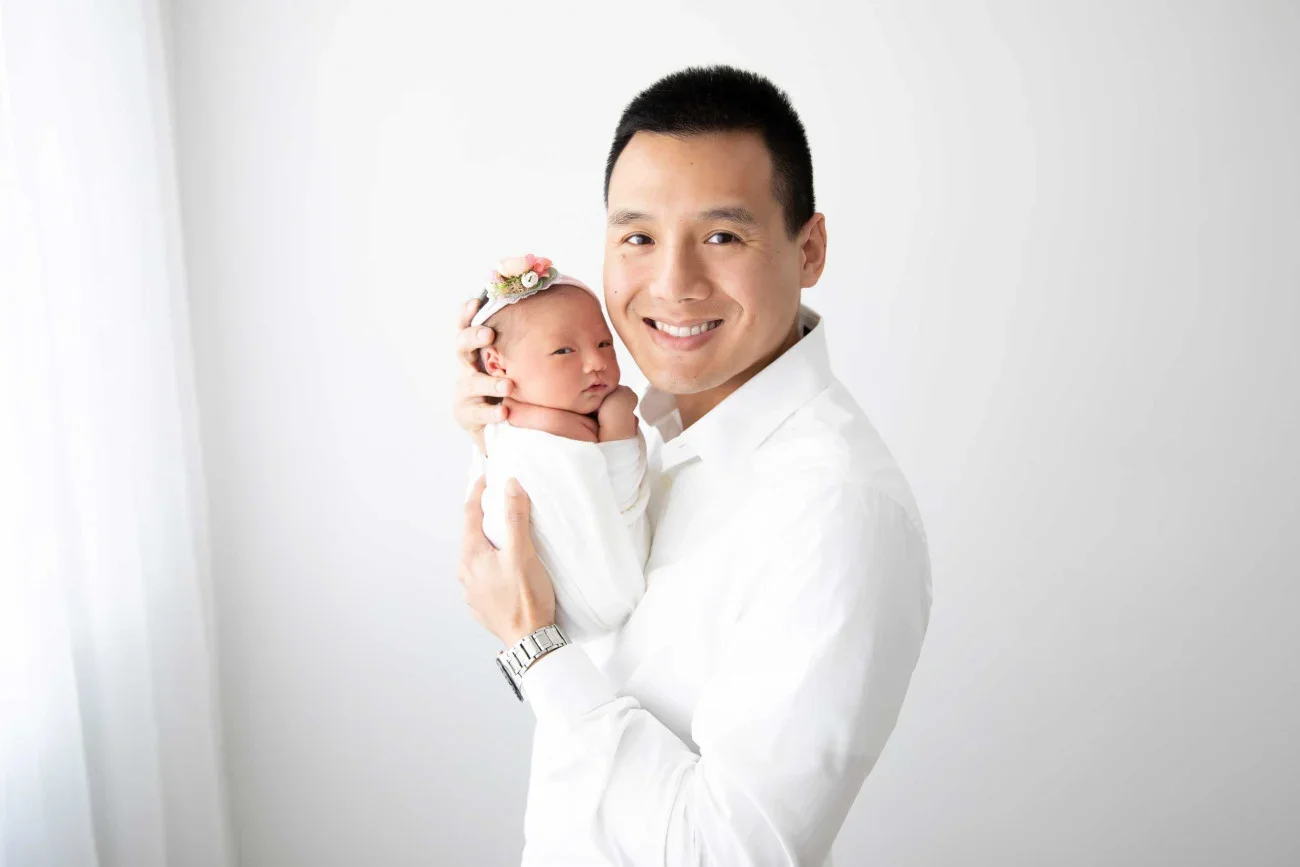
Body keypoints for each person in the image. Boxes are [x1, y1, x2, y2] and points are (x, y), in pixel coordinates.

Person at [454, 65, 933, 866]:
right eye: (638, 236)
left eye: (722, 236)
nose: (673, 285)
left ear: (807, 248)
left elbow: (726, 851)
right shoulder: (651, 430)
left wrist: (532, 647)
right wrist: (518, 422)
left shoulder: (836, 509)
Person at [469, 254, 650, 655]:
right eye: (564, 351)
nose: (596, 362)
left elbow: (617, 506)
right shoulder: (505, 430)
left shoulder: (561, 419)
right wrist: (619, 428)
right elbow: (618, 494)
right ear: (497, 365)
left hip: (572, 622)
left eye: (604, 343)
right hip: (584, 600)